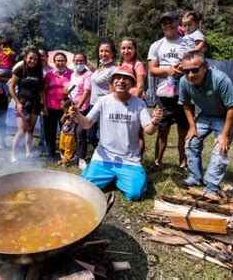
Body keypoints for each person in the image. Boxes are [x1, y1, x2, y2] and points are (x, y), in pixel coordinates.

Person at [69, 67, 163, 201]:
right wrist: (77, 116)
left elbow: (149, 130)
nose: (121, 81)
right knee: (84, 188)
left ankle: (117, 179)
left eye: (126, 78)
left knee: (135, 195)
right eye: (117, 78)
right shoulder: (103, 101)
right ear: (112, 82)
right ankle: (107, 176)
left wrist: (155, 121)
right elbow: (87, 123)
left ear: (132, 83)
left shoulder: (139, 103)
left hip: (129, 160)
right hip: (104, 158)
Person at [178, 51, 233, 193]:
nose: (190, 75)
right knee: (191, 141)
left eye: (195, 70)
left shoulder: (220, 79)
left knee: (220, 148)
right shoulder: (184, 82)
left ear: (205, 67)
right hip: (206, 115)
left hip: (226, 115)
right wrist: (192, 127)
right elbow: (186, 104)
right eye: (186, 71)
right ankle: (195, 177)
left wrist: (224, 135)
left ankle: (211, 185)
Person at [146, 12, 189, 173]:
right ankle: (157, 162)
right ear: (161, 26)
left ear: (176, 22)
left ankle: (183, 164)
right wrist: (169, 70)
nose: (168, 25)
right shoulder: (156, 45)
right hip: (164, 95)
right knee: (162, 131)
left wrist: (183, 69)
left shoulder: (187, 42)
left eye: (171, 22)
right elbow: (152, 70)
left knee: (183, 132)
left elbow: (196, 62)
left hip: (185, 94)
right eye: (164, 23)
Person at [8, 48, 45, 163]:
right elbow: (11, 87)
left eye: (35, 59)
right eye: (30, 58)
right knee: (22, 129)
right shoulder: (20, 70)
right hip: (23, 104)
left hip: (35, 103)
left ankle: (28, 152)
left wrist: (42, 102)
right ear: (25, 58)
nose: (32, 61)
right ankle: (13, 154)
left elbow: (40, 89)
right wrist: (18, 103)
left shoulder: (39, 72)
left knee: (31, 129)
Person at [118, 36, 147, 157]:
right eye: (123, 48)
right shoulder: (120, 63)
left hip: (134, 103)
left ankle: (137, 159)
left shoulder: (138, 64)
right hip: (122, 101)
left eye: (129, 48)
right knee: (126, 132)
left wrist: (130, 102)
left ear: (134, 49)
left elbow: (140, 87)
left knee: (137, 133)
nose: (126, 51)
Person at [87, 37, 117, 148]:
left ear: (112, 53)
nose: (104, 53)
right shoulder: (100, 67)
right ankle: (100, 153)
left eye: (107, 51)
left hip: (105, 106)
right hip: (93, 104)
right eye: (101, 51)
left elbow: (112, 91)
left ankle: (105, 156)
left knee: (103, 135)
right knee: (90, 134)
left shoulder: (113, 69)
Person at [44, 52, 73, 161]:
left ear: (66, 62)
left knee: (66, 131)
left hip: (65, 108)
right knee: (49, 131)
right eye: (58, 61)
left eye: (62, 60)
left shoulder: (72, 74)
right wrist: (44, 106)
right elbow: (44, 90)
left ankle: (65, 154)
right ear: (54, 62)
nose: (60, 63)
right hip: (50, 106)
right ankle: (50, 154)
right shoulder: (49, 74)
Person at [66, 52, 92, 164]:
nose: (79, 63)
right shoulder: (73, 74)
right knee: (75, 132)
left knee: (81, 132)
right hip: (73, 107)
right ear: (73, 62)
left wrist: (78, 106)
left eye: (81, 61)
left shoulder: (88, 74)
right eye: (77, 61)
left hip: (83, 107)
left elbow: (86, 92)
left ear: (85, 62)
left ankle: (81, 156)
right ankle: (78, 154)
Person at [37, 47, 53, 148]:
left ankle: (43, 142)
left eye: (42, 55)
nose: (40, 58)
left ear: (47, 57)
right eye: (39, 56)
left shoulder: (51, 70)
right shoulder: (33, 68)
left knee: (44, 122)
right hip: (33, 99)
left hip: (46, 99)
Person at [58, 97, 77, 166]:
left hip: (70, 134)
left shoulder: (73, 113)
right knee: (62, 145)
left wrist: (71, 115)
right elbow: (61, 121)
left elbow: (76, 120)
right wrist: (64, 116)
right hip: (63, 132)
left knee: (68, 147)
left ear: (67, 107)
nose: (60, 106)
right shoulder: (64, 113)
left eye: (61, 105)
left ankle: (66, 160)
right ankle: (63, 158)